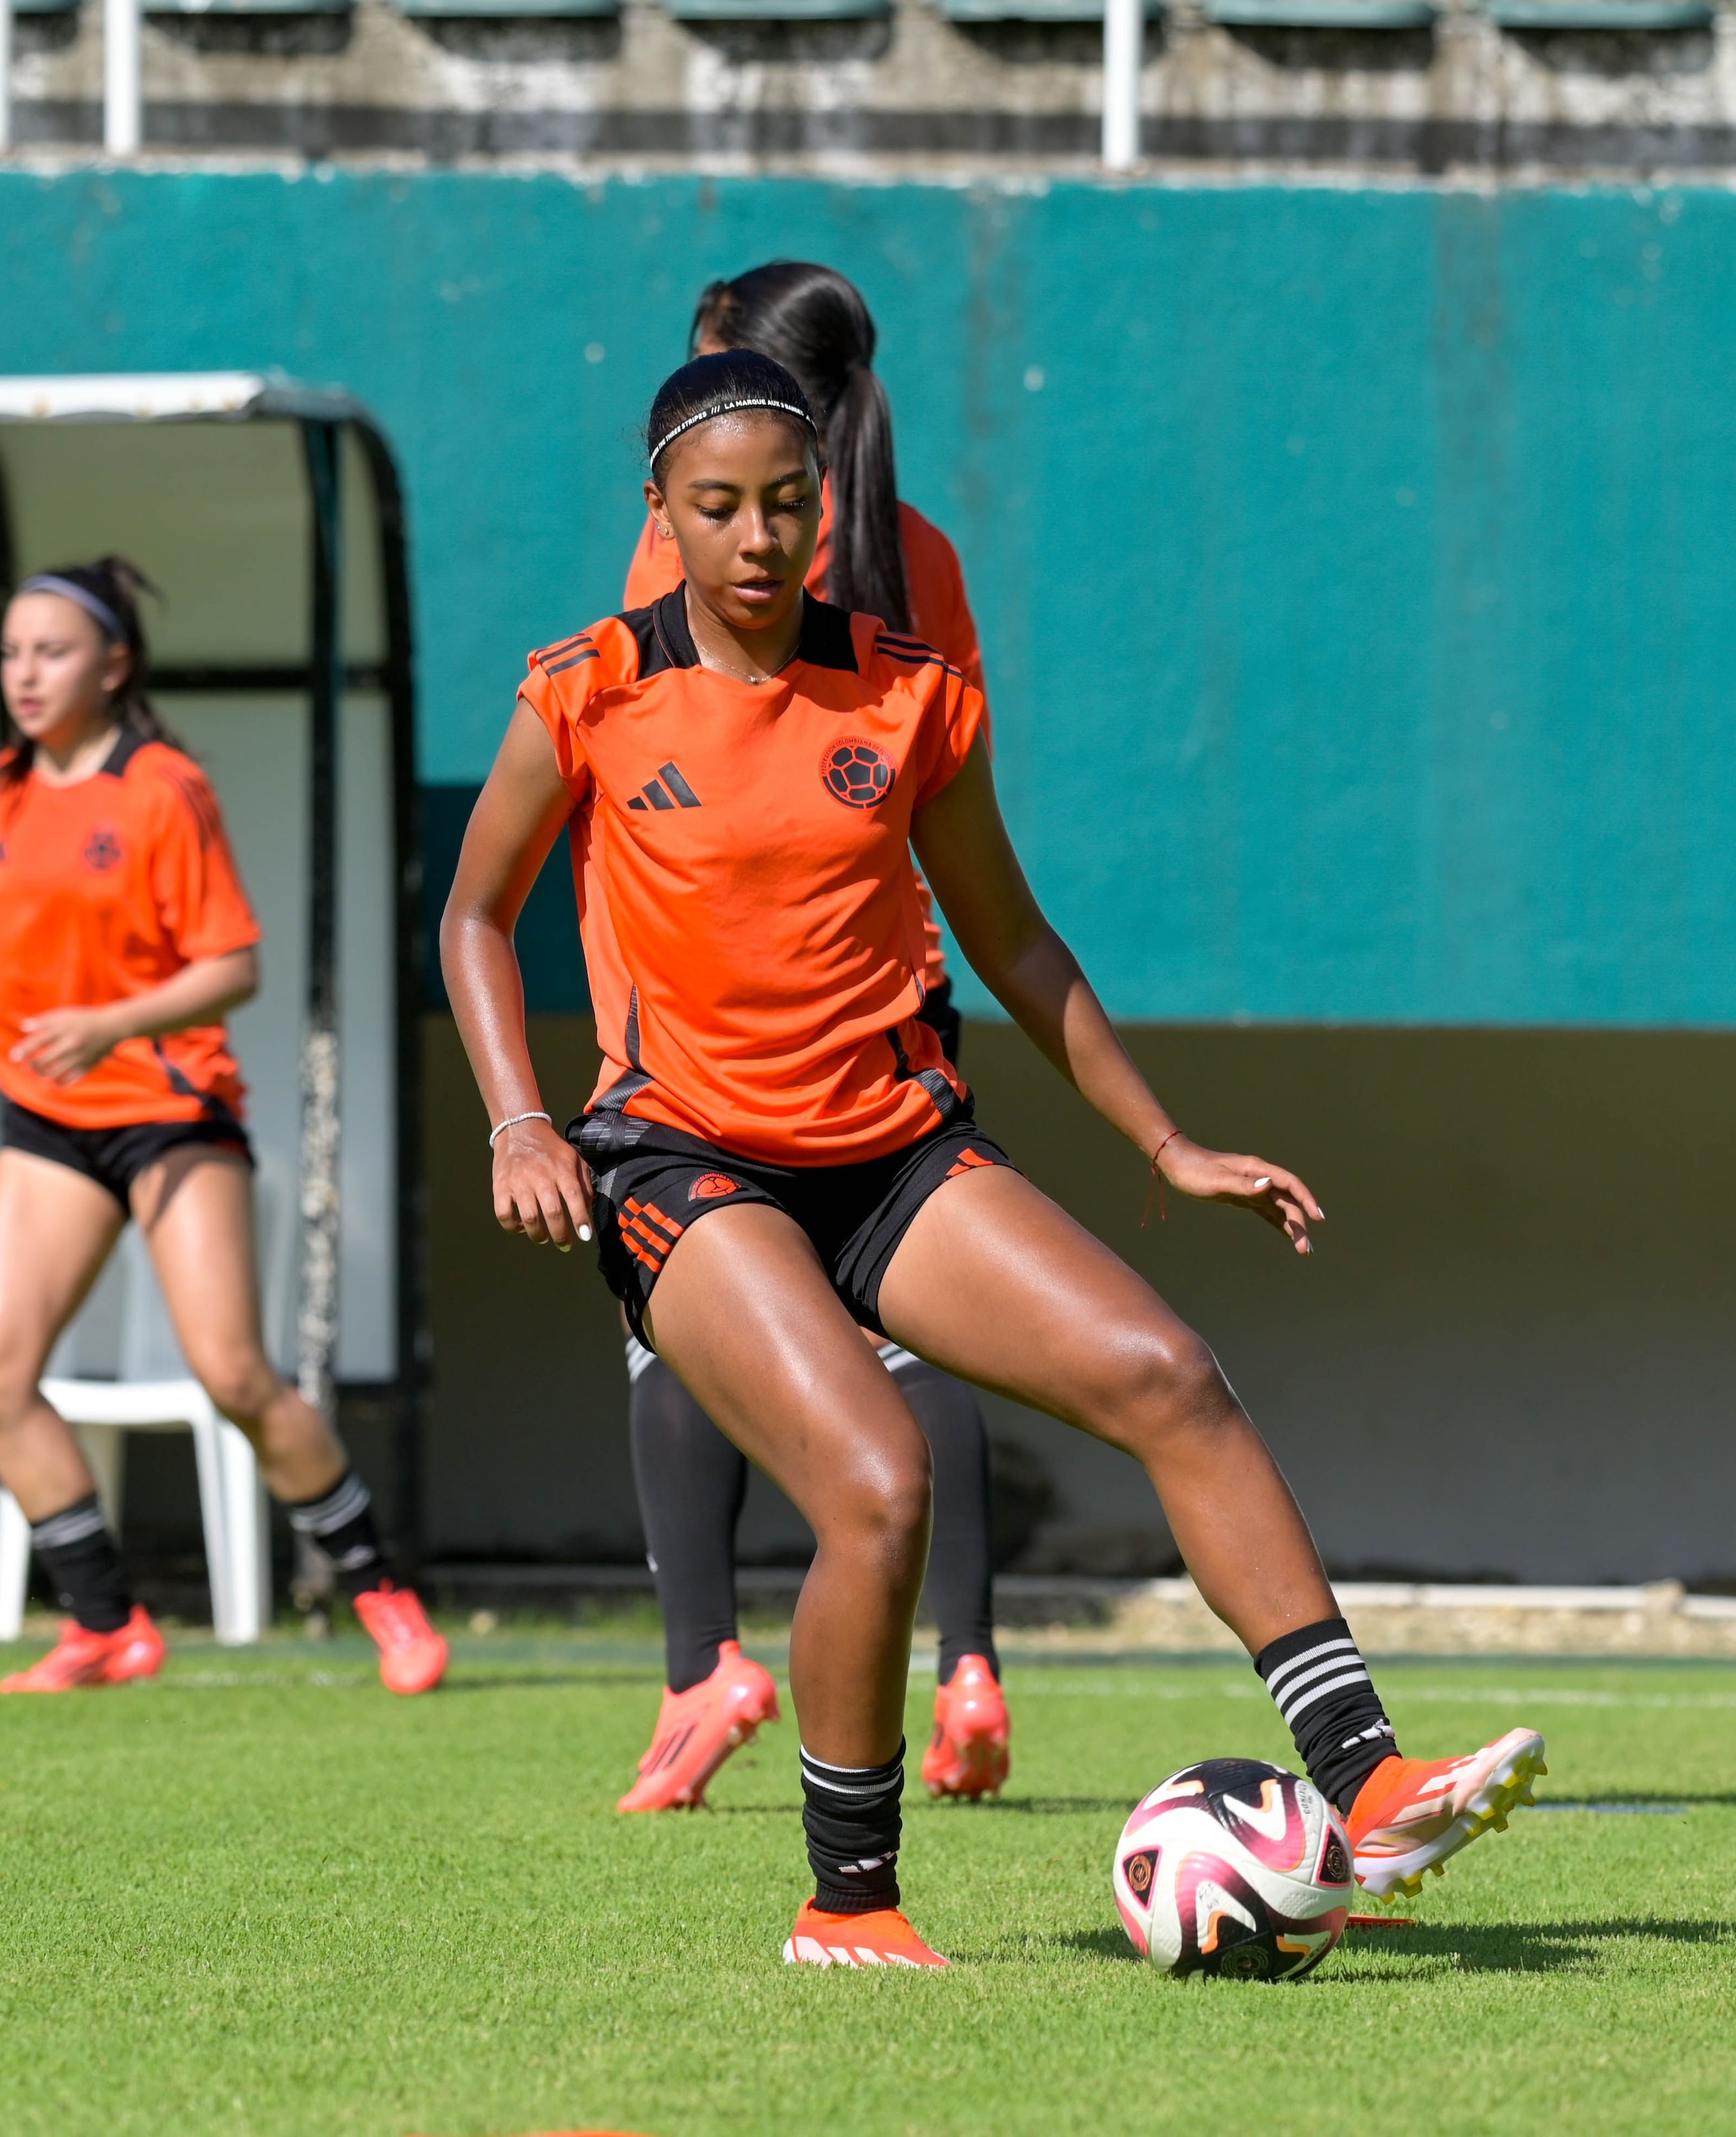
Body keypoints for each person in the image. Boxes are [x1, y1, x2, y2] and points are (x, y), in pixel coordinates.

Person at [440, 352, 1545, 1967]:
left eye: (788, 504)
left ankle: (1369, 1783)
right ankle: (849, 1901)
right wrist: (518, 1115)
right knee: (878, 1479)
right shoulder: (586, 690)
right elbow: (472, 913)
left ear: (827, 509)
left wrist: (1168, 1140)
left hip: (892, 1151)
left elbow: (1016, 943)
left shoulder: (906, 689)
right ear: (659, 512)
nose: (757, 537)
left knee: (1168, 1372)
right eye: (718, 507)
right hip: (679, 1161)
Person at [0, 557, 447, 1697]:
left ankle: (380, 1589)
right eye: (11, 652)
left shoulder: (162, 787)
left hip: (171, 1117)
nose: (24, 675)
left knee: (233, 1372)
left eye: (52, 651)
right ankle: (107, 1624)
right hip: (49, 1122)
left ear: (114, 664)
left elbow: (233, 965)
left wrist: (109, 1024)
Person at [611, 262, 1012, 1815]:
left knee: (673, 1310)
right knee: (916, 1320)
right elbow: (961, 798)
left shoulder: (707, 519)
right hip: (887, 987)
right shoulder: (922, 550)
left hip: (722, 994)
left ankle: (699, 1661)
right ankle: (967, 1656)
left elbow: (640, 717)